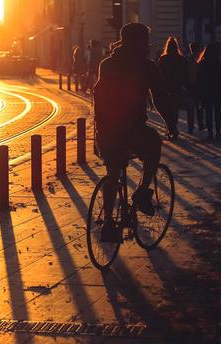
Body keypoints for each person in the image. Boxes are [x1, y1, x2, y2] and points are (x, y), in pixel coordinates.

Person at [94, 23, 176, 242]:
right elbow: (161, 97)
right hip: (133, 130)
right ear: (140, 42)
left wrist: (99, 129)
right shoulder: (147, 66)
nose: (148, 45)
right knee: (154, 145)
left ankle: (109, 223)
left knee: (113, 172)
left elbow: (98, 96)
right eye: (146, 40)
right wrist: (171, 124)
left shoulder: (107, 64)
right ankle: (141, 192)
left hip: (107, 131)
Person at [158, 37, 187, 139]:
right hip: (177, 86)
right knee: (175, 108)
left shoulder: (163, 58)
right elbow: (185, 74)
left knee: (167, 108)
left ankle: (171, 129)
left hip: (166, 87)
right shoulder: (181, 59)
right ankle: (173, 128)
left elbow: (159, 74)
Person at [197, 44, 221, 140]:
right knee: (218, 112)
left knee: (208, 112)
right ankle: (218, 132)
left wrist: (200, 92)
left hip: (206, 91)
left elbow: (199, 79)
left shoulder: (202, 63)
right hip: (218, 91)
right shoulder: (219, 63)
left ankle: (210, 132)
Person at [185, 42, 203, 133]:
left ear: (191, 48)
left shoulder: (187, 58)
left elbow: (184, 72)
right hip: (199, 86)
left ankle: (191, 127)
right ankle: (201, 125)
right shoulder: (201, 58)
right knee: (199, 107)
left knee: (190, 108)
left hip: (189, 86)